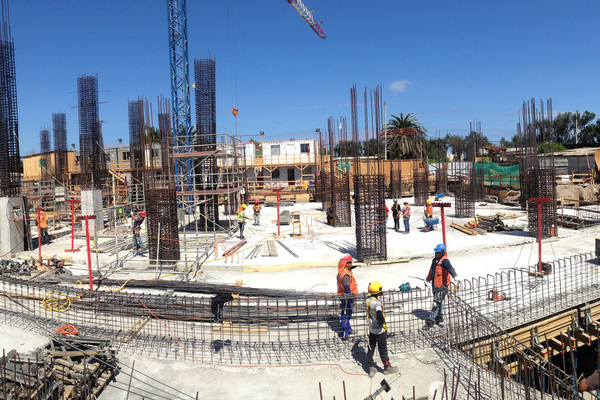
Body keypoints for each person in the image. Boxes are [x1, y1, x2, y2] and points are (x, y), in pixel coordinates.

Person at [366, 281, 398, 377]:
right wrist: (382, 323)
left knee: (371, 348)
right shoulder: (377, 304)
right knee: (383, 349)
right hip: (379, 331)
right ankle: (387, 367)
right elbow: (380, 315)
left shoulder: (367, 300)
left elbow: (370, 295)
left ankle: (371, 368)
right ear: (378, 293)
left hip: (372, 329)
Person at [424, 244, 457, 329]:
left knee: (436, 303)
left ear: (442, 253)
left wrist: (455, 277)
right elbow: (432, 271)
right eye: (435, 252)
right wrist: (428, 279)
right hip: (435, 285)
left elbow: (450, 268)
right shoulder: (435, 260)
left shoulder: (445, 261)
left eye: (437, 252)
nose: (435, 254)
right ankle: (440, 316)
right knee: (440, 301)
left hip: (442, 286)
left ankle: (431, 321)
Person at [337, 254, 358, 339]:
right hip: (346, 297)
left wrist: (359, 263)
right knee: (346, 314)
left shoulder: (343, 270)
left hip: (344, 296)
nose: (351, 264)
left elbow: (351, 267)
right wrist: (351, 298)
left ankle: (348, 329)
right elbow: (347, 288)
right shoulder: (345, 276)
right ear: (346, 264)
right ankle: (344, 333)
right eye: (350, 262)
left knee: (346, 313)